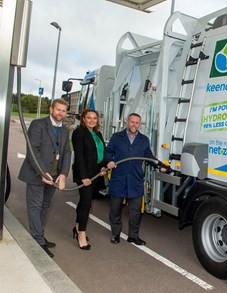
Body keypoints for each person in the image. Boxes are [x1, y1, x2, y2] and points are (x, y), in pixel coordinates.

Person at [18, 98, 71, 258]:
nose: (60, 113)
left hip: (53, 177)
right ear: (51, 110)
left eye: (63, 110)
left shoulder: (65, 130)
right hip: (36, 175)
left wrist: (63, 174)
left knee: (45, 206)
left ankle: (39, 234)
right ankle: (38, 239)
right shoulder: (38, 124)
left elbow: (67, 152)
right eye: (58, 110)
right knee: (35, 207)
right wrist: (42, 172)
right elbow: (33, 150)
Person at [105, 113, 166, 245]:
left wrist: (159, 165)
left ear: (140, 124)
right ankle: (115, 234)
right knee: (115, 209)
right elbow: (108, 151)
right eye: (132, 122)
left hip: (135, 180)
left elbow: (148, 156)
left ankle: (133, 236)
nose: (134, 125)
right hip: (119, 178)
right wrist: (109, 161)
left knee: (136, 212)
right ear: (127, 122)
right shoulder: (117, 137)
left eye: (137, 123)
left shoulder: (144, 139)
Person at [71, 109, 106, 250]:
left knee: (85, 201)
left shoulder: (98, 134)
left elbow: (102, 152)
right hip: (84, 175)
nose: (92, 120)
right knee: (86, 204)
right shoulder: (78, 133)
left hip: (96, 174)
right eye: (89, 118)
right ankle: (82, 235)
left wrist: (103, 166)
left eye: (94, 118)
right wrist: (84, 177)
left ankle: (77, 226)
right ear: (83, 119)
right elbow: (79, 156)